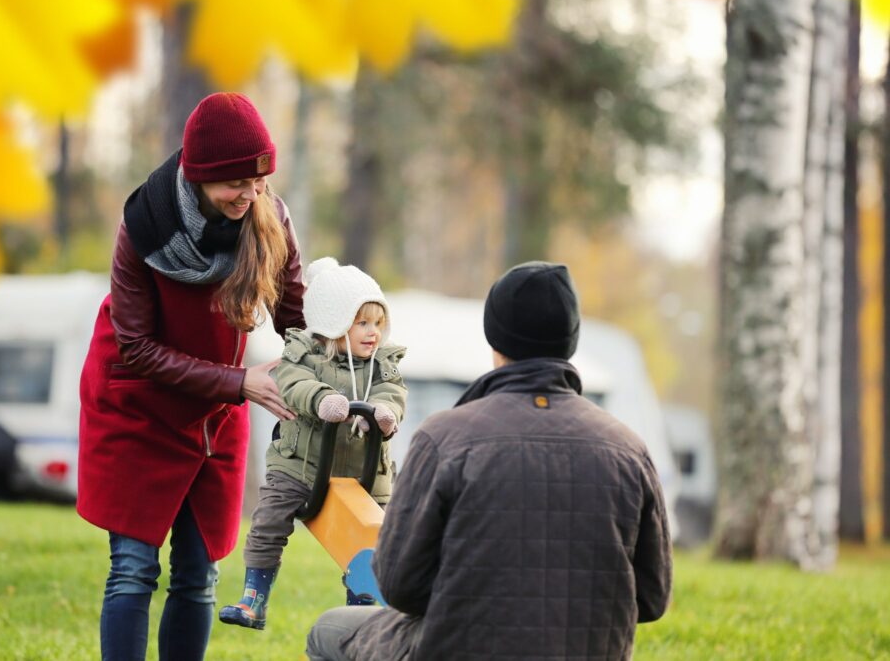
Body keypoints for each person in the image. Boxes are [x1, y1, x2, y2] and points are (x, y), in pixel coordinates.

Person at [305, 261, 673, 661]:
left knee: (329, 631)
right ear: (571, 339)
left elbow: (399, 586)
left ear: (494, 337)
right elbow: (652, 599)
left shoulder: (444, 438)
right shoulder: (629, 450)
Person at [76, 92, 306, 661]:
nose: (250, 194)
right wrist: (239, 383)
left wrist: (327, 366)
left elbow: (297, 315)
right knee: (133, 569)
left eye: (259, 182)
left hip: (214, 416)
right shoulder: (144, 225)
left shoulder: (268, 217)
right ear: (199, 176)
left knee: (199, 575)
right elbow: (135, 347)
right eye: (236, 184)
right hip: (138, 404)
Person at [219, 257, 408, 631]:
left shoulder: (382, 363)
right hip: (302, 466)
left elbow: (393, 391)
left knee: (380, 538)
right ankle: (254, 598)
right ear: (335, 324)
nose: (373, 332)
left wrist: (386, 412)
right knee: (269, 520)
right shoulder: (302, 354)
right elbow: (293, 383)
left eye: (377, 323)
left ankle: (363, 611)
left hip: (366, 473)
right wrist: (321, 398)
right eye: (362, 322)